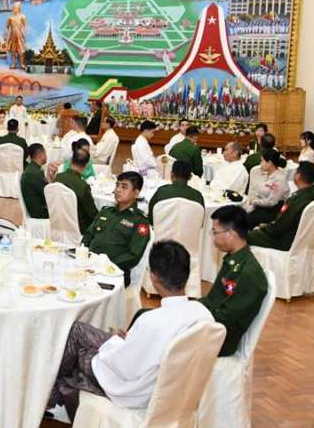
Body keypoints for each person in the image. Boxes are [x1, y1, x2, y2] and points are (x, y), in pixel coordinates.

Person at [48, 240, 213, 423]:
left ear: (154, 277)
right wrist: (126, 341)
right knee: (79, 333)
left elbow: (122, 366)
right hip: (164, 387)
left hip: (133, 391)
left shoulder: (151, 321)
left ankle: (52, 398)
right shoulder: (204, 315)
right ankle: (56, 395)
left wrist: (115, 342)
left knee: (75, 350)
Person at [200, 205, 268, 357]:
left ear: (230, 234)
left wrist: (193, 314)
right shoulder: (234, 261)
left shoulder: (248, 273)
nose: (213, 237)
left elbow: (225, 317)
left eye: (215, 232)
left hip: (218, 339)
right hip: (211, 325)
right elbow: (212, 300)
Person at [82, 171, 149, 286]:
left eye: (124, 187)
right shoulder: (105, 212)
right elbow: (88, 236)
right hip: (89, 268)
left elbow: (134, 255)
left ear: (136, 193)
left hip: (114, 274)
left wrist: (107, 264)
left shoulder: (139, 221)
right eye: (117, 185)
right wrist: (84, 254)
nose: (118, 190)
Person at [248, 161, 314, 250]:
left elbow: (278, 228)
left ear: (298, 176)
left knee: (246, 236)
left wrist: (264, 228)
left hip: (285, 241)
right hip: (302, 240)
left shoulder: (295, 200)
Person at [55, 148, 98, 234]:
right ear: (86, 165)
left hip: (57, 221)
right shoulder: (83, 186)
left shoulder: (58, 177)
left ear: (71, 161)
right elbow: (92, 213)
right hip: (78, 227)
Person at [246, 148, 289, 228]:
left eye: (262, 161)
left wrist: (254, 202)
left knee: (246, 219)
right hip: (263, 207)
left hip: (273, 212)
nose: (260, 164)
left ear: (270, 163)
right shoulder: (269, 175)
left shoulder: (279, 179)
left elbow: (271, 202)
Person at [20, 143, 58, 219]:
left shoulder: (32, 169)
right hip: (40, 213)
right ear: (41, 154)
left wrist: (50, 176)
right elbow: (48, 195)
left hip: (37, 208)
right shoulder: (34, 173)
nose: (46, 155)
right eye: (45, 153)